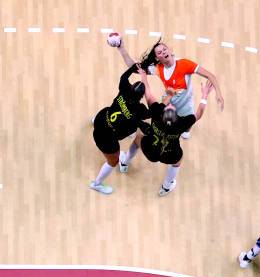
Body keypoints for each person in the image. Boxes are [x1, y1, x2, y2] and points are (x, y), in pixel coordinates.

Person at [119, 66, 213, 196]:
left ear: (162, 113)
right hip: (169, 154)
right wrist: (204, 95)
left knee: (137, 139)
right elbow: (199, 113)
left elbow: (149, 94)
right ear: (176, 117)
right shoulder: (181, 123)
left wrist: (144, 78)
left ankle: (124, 162)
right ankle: (167, 186)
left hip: (150, 151)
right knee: (178, 161)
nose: (170, 105)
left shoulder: (156, 112)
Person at [116, 37, 223, 139]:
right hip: (168, 102)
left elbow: (210, 76)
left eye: (164, 49)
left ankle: (186, 132)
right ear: (157, 58)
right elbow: (133, 67)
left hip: (186, 102)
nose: (163, 52)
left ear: (170, 50)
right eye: (159, 52)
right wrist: (121, 49)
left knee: (188, 125)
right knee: (163, 125)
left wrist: (218, 93)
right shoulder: (158, 68)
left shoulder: (185, 64)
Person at [89, 64, 149, 194]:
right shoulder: (139, 110)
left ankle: (93, 121)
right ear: (142, 97)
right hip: (106, 138)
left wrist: (133, 68)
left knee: (104, 116)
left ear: (131, 87)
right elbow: (152, 113)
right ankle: (97, 184)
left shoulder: (124, 89)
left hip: (101, 118)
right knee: (114, 161)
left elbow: (123, 76)